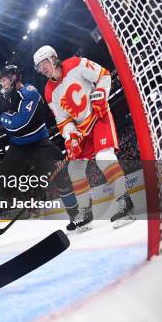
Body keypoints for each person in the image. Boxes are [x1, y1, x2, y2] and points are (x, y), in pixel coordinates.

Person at [0, 65, 77, 250]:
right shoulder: (7, 96)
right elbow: (2, 112)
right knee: (1, 185)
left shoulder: (30, 92)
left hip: (40, 144)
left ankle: (76, 215)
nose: (2, 84)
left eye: (4, 79)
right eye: (0, 81)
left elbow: (19, 124)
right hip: (19, 148)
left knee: (61, 176)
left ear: (14, 77)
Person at [33, 46, 134, 231]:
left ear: (53, 58)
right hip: (81, 130)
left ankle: (124, 202)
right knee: (75, 169)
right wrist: (71, 136)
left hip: (98, 117)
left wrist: (100, 95)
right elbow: (62, 120)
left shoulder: (76, 64)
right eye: (39, 67)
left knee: (104, 157)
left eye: (44, 63)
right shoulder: (48, 91)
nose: (43, 68)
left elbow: (103, 75)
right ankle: (85, 213)